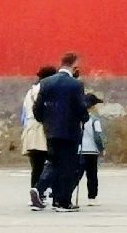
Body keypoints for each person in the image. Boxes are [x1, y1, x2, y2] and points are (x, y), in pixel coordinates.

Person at [35, 52, 89, 213]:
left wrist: (45, 122)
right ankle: (62, 201)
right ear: (74, 65)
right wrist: (84, 117)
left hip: (51, 130)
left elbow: (37, 107)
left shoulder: (46, 82)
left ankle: (42, 190)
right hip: (70, 131)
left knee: (54, 162)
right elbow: (80, 107)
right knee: (68, 166)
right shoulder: (76, 85)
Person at [22, 65, 54, 211]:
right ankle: (43, 192)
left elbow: (23, 114)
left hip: (30, 129)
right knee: (50, 163)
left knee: (36, 166)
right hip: (43, 129)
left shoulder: (30, 92)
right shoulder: (45, 90)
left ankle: (35, 194)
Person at [77, 93, 107, 204]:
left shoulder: (77, 119)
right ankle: (92, 197)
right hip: (92, 151)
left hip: (79, 150)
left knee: (77, 174)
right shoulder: (95, 120)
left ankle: (67, 194)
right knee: (92, 175)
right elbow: (98, 136)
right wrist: (101, 148)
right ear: (93, 106)